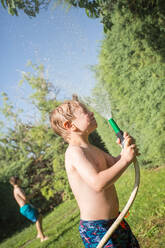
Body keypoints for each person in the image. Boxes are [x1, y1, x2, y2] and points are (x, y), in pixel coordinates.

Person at [50, 97, 140, 247]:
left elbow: (113, 164)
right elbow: (98, 183)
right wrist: (125, 159)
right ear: (70, 125)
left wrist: (124, 152)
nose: (91, 112)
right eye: (85, 112)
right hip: (97, 228)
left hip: (116, 221)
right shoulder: (74, 153)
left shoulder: (92, 149)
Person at [9, 176, 48, 242]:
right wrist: (33, 193)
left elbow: (25, 200)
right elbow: (25, 198)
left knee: (40, 216)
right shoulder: (18, 189)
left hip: (26, 207)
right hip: (25, 208)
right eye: (19, 179)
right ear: (17, 181)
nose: (21, 180)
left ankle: (39, 234)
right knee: (37, 219)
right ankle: (42, 238)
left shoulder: (16, 189)